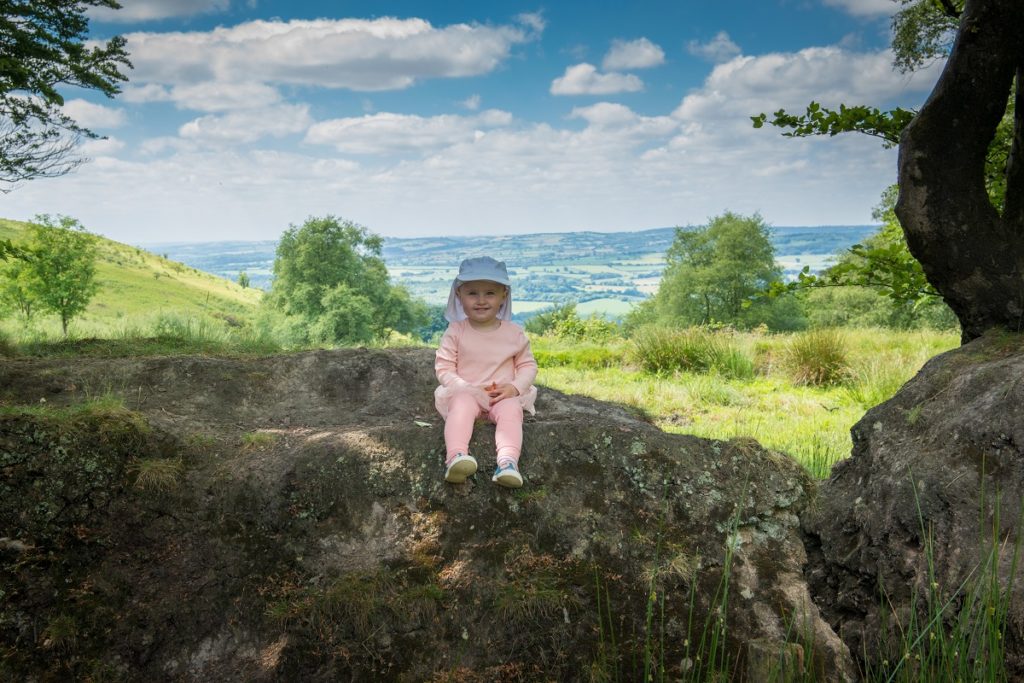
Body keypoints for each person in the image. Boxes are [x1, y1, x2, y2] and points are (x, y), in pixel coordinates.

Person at [434, 256, 537, 488]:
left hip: (502, 396)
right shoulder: (456, 331)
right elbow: (444, 366)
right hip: (466, 393)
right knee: (460, 407)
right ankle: (456, 457)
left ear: (504, 296)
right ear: (459, 295)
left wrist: (514, 387)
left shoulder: (514, 333)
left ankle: (508, 462)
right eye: (472, 293)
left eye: (490, 293)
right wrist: (463, 387)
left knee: (511, 411)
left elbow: (527, 365)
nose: (481, 300)